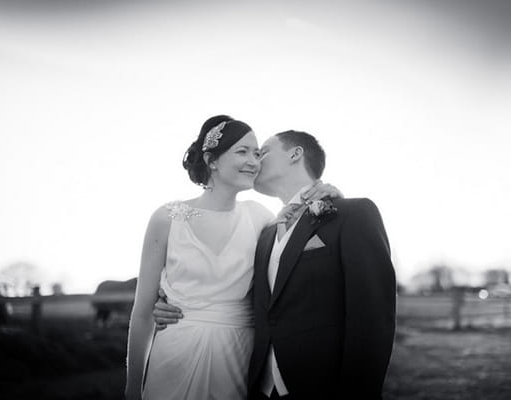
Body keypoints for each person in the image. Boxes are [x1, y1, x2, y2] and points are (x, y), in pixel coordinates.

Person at [154, 130, 396, 399]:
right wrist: (170, 300)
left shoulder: (353, 214)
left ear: (295, 154)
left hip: (323, 386)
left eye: (263, 152)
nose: (255, 161)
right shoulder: (266, 231)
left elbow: (373, 319)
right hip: (258, 386)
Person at [125, 116, 339, 400]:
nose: (254, 161)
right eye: (243, 151)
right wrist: (131, 388)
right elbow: (142, 313)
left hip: (238, 354)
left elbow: (293, 259)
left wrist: (330, 195)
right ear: (212, 160)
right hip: (175, 351)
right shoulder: (167, 218)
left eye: (257, 153)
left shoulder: (261, 218)